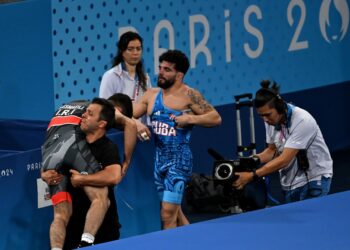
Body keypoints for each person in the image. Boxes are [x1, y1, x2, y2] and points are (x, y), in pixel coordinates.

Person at [133, 50, 222, 229]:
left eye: (167, 69)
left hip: (179, 161)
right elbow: (129, 115)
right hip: (159, 162)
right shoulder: (152, 94)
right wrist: (137, 124)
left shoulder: (190, 95)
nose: (161, 73)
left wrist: (190, 119)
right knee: (176, 213)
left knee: (167, 214)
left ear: (179, 75)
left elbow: (216, 118)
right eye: (160, 68)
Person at [41, 95, 136, 249]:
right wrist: (44, 173)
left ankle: (86, 241)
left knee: (101, 200)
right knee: (64, 213)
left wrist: (82, 179)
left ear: (102, 123)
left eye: (90, 114)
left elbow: (114, 176)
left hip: (104, 232)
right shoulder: (72, 143)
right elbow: (130, 123)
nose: (84, 115)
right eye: (87, 112)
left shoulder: (107, 148)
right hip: (72, 232)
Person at [233, 80, 333, 203]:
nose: (265, 119)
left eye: (267, 114)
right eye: (261, 115)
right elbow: (272, 150)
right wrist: (253, 160)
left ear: (279, 107)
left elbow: (284, 160)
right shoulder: (271, 120)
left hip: (314, 179)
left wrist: (252, 176)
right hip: (290, 184)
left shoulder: (302, 120)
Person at [99, 31, 152, 140]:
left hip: (141, 132)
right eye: (130, 49)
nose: (135, 52)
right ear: (122, 52)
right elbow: (106, 109)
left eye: (138, 48)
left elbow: (149, 107)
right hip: (118, 133)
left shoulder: (145, 78)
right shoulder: (110, 76)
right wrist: (134, 123)